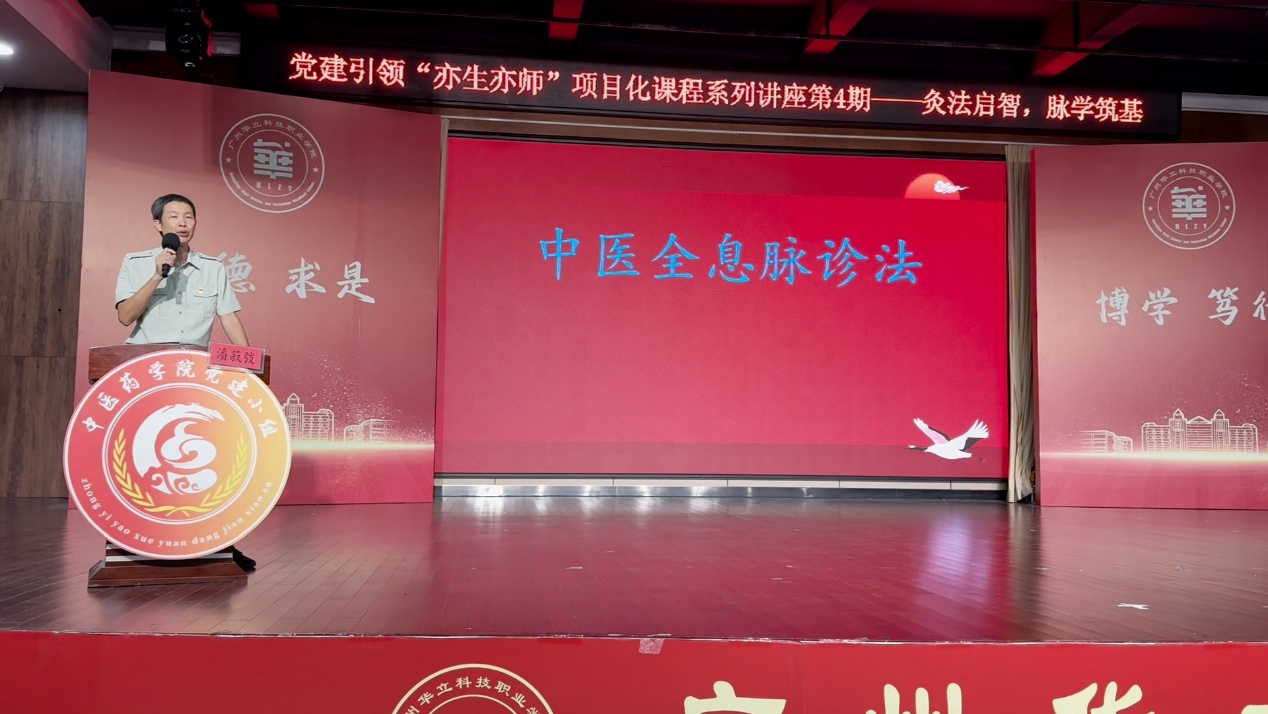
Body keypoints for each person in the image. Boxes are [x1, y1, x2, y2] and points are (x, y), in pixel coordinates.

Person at [114, 193, 257, 572]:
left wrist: (250, 369)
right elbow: (125, 316)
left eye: (189, 216)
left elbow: (229, 318)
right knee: (143, 459)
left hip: (196, 378)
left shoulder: (212, 268)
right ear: (158, 225)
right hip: (146, 376)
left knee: (210, 460)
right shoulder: (137, 263)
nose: (182, 222)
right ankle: (134, 540)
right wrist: (156, 276)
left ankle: (219, 544)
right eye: (174, 216)